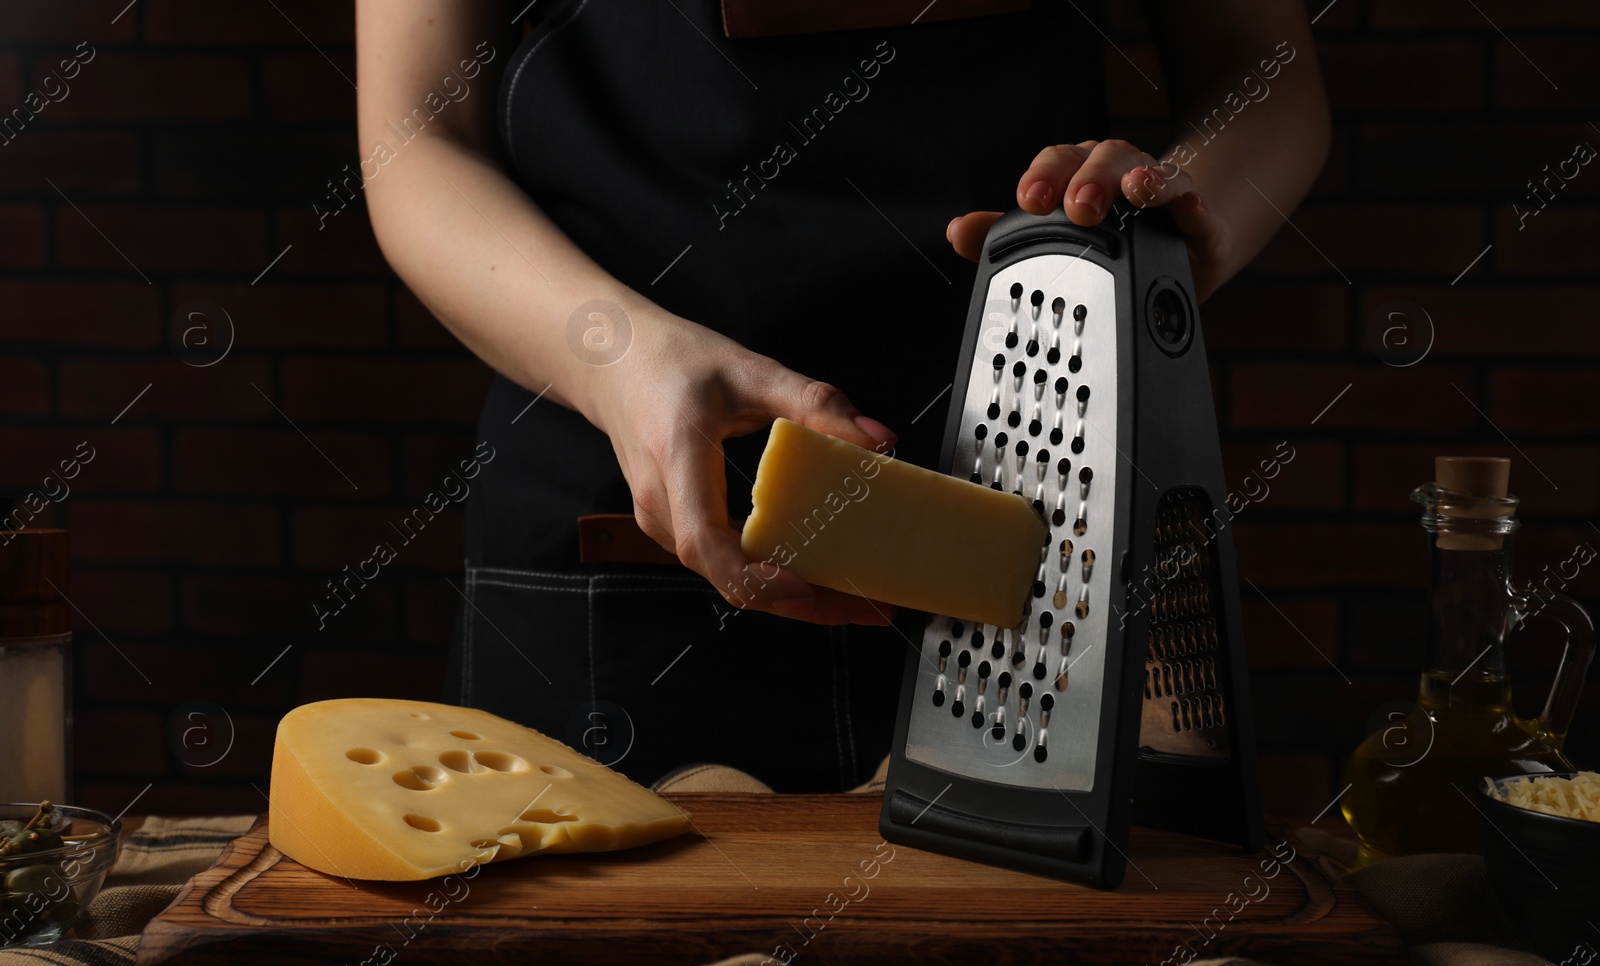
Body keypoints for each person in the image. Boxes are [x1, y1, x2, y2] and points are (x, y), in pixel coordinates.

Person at [354, 0, 1329, 791]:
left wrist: (1168, 224)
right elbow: (419, 139)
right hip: (616, 542)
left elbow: (1262, 66)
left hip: (1039, 532)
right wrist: (617, 361)